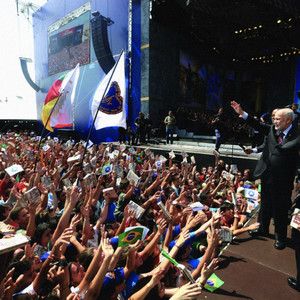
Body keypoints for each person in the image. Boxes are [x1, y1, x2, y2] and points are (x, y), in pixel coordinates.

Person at [231, 100, 300, 250]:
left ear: (288, 120)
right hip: (267, 174)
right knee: (265, 204)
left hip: (283, 180)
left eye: (277, 119)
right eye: (274, 119)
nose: (274, 121)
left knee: (280, 209)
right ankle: (262, 228)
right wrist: (242, 114)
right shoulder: (272, 130)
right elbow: (258, 125)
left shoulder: (297, 135)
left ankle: (280, 237)